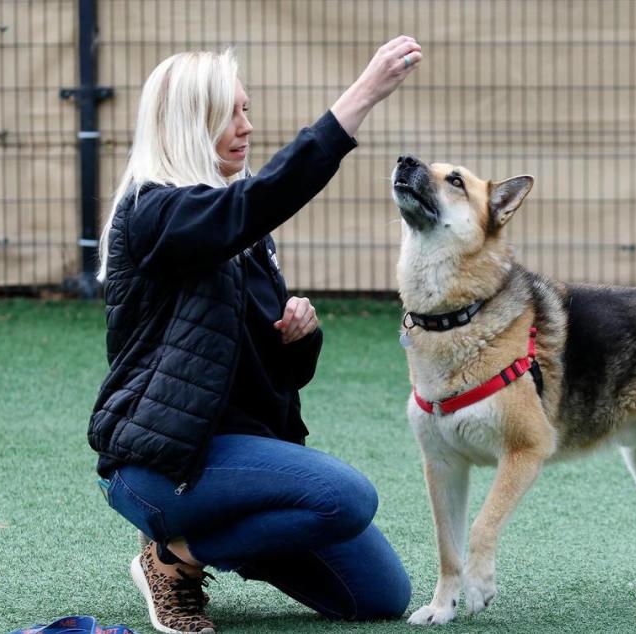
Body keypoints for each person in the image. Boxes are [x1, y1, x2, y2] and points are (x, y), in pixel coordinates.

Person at [88, 37, 422, 634]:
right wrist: (362, 96)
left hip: (240, 458)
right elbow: (262, 199)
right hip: (161, 466)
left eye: (246, 109)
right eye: (231, 114)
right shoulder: (156, 212)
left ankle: (218, 540)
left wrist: (301, 337)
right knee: (345, 497)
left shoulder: (235, 227)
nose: (246, 126)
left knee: (378, 596)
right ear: (193, 122)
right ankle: (174, 559)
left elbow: (278, 373)